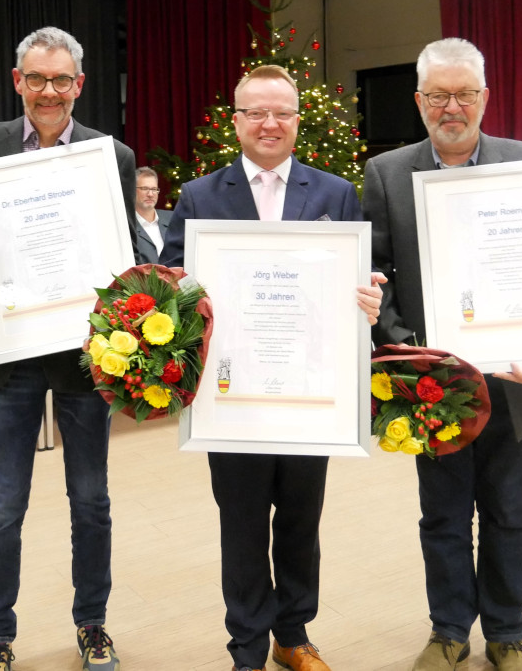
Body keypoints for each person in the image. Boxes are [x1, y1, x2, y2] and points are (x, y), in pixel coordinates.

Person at [158, 64, 384, 671]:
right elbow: (169, 287)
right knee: (241, 519)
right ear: (236, 121)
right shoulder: (201, 196)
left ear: (296, 119)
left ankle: (293, 633)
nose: (269, 123)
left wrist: (369, 298)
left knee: (302, 515)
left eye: (281, 112)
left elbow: (358, 280)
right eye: (255, 112)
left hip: (311, 390)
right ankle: (247, 646)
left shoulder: (335, 193)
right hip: (232, 396)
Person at [0, 26, 137, 671]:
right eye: (36, 79)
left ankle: (93, 624)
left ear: (80, 85)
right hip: (13, 353)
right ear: (17, 81)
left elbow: (131, 246)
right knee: (4, 503)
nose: (49, 92)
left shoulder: (113, 156)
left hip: (83, 355)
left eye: (62, 80)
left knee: (91, 500)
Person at [362, 38, 522, 671]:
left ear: (485, 98)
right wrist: (412, 354)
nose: (453, 107)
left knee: (509, 513)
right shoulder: (387, 173)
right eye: (440, 95)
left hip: (515, 378)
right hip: (432, 385)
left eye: (465, 94)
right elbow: (376, 267)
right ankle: (449, 629)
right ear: (419, 101)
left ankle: (506, 634)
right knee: (442, 513)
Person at [132, 166, 171, 263]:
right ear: (133, 190)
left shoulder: (172, 219)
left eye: (154, 189)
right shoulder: (127, 226)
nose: (150, 194)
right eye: (144, 188)